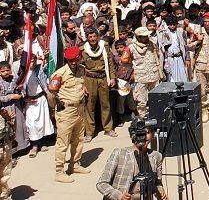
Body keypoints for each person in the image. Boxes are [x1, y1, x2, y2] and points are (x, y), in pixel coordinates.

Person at [96, 117, 167, 200]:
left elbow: (157, 183)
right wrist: (118, 196)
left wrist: (160, 192)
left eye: (147, 133)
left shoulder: (156, 156)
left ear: (152, 135)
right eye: (140, 134)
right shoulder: (119, 153)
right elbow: (101, 184)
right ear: (132, 136)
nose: (144, 137)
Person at [48, 46, 90, 183]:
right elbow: (51, 92)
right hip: (66, 111)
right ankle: (59, 171)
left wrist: (83, 90)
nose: (73, 62)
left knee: (78, 139)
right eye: (70, 60)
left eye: (76, 59)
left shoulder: (82, 69)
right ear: (67, 59)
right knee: (63, 142)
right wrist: (55, 106)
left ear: (79, 58)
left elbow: (81, 83)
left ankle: (75, 164)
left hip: (79, 109)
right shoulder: (60, 74)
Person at [80, 29, 116, 141]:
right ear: (87, 38)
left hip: (103, 78)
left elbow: (110, 62)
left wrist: (113, 77)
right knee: (89, 106)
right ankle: (89, 132)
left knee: (105, 104)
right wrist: (82, 84)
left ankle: (108, 128)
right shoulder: (83, 50)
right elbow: (80, 68)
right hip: (89, 79)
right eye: (90, 37)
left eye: (94, 36)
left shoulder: (104, 46)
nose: (93, 39)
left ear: (98, 36)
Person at [129, 27, 160, 120]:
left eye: (147, 36)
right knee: (141, 100)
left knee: (155, 97)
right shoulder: (132, 48)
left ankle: (155, 115)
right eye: (143, 36)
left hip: (153, 75)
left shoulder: (152, 44)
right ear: (138, 37)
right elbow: (128, 62)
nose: (146, 38)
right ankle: (142, 118)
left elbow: (157, 56)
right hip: (141, 76)